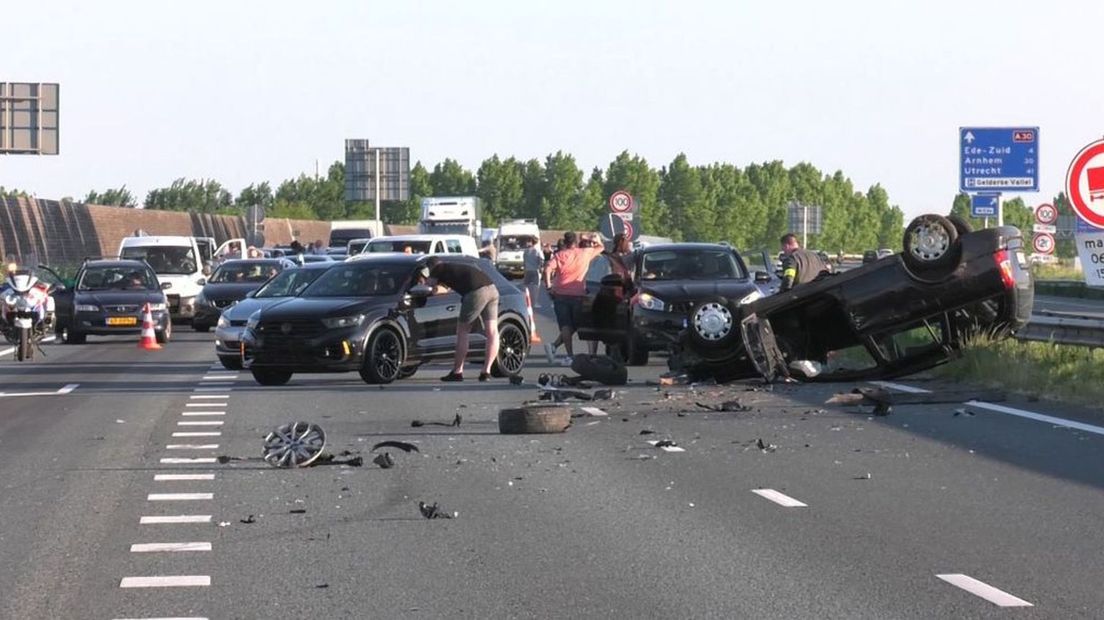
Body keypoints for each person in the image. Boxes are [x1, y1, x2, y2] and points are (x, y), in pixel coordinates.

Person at [417, 257, 501, 382]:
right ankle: (486, 372)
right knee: (492, 332)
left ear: (430, 267)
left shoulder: (438, 269)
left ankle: (457, 372)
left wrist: (421, 280)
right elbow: (443, 289)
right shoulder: (452, 268)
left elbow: (429, 286)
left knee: (463, 331)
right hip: (492, 289)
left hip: (476, 292)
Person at [542, 231, 603, 365]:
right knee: (575, 324)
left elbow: (547, 268)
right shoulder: (584, 253)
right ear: (575, 242)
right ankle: (556, 347)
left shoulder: (559, 255)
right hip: (578, 294)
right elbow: (601, 247)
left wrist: (548, 286)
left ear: (565, 242)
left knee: (565, 325)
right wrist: (588, 238)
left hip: (560, 293)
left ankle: (568, 354)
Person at [522, 238, 544, 309]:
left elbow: (524, 262)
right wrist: (540, 268)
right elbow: (541, 260)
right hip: (535, 270)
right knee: (535, 288)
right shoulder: (537, 251)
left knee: (526, 287)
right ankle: (535, 303)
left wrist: (524, 270)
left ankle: (525, 301)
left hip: (527, 270)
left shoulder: (525, 251)